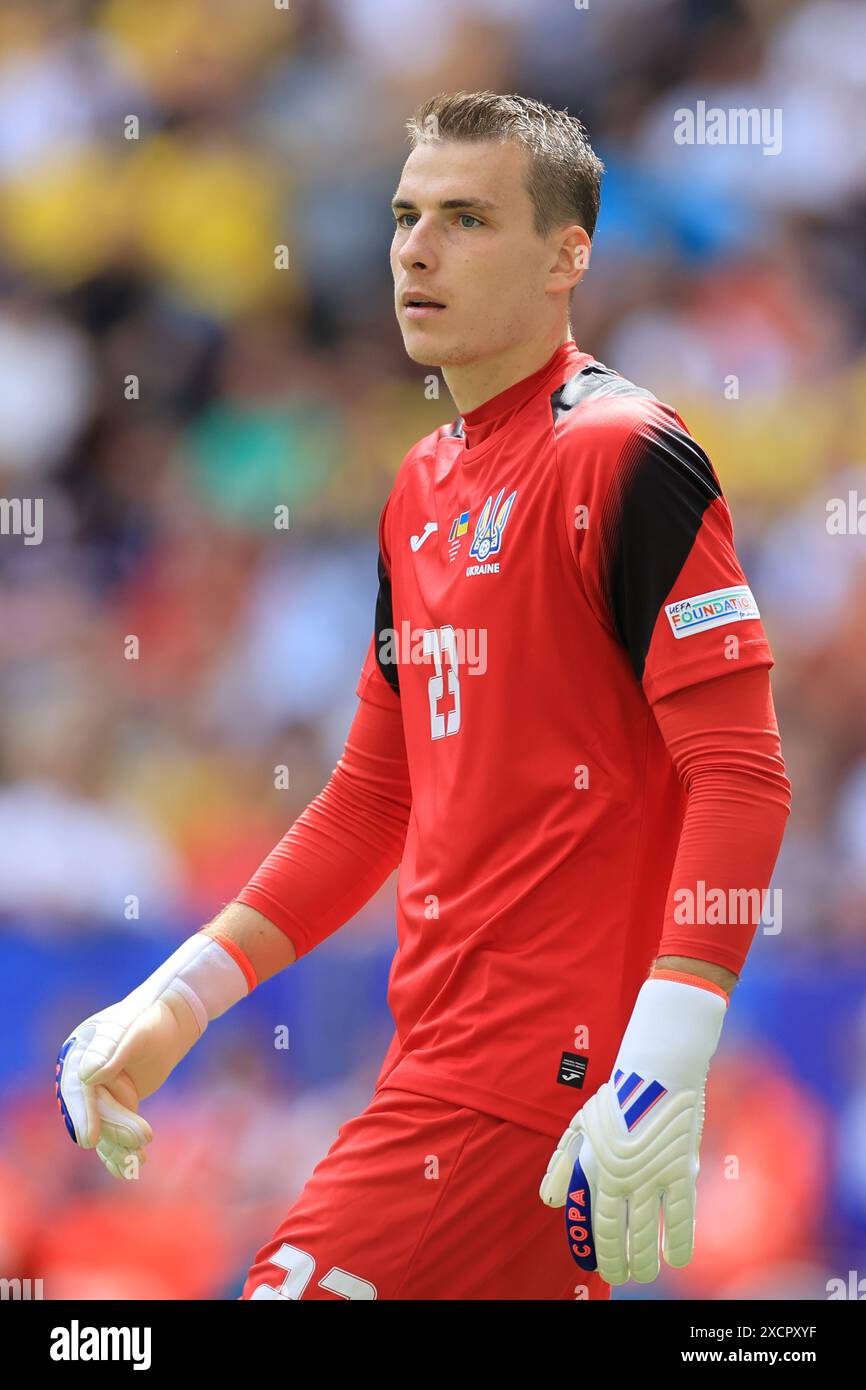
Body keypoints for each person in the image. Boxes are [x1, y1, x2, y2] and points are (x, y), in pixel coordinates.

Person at [56, 90, 791, 1301]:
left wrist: (669, 1044)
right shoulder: (420, 483)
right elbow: (370, 798)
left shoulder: (620, 453)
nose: (414, 247)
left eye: (464, 217)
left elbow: (740, 770)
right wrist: (178, 999)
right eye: (406, 215)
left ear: (568, 256)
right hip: (445, 1069)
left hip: (524, 1094)